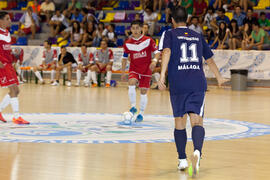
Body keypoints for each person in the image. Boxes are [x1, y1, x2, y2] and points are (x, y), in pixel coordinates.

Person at [158, 6, 227, 175]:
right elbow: (209, 59)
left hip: (178, 82)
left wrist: (161, 76)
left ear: (172, 20)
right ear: (187, 19)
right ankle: (197, 151)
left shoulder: (170, 34)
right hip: (197, 83)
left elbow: (166, 51)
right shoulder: (197, 35)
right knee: (197, 121)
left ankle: (182, 160)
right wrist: (219, 77)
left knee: (179, 123)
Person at [121, 20, 160, 122]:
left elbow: (157, 53)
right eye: (133, 28)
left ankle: (141, 113)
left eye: (137, 28)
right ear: (130, 29)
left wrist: (154, 62)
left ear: (141, 28)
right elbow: (124, 58)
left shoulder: (148, 40)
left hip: (146, 70)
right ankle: (133, 107)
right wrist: (123, 72)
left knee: (143, 92)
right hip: (134, 68)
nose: (135, 30)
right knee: (131, 82)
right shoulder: (127, 43)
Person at [0, 12, 29, 124]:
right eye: (7, 19)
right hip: (3, 65)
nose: (10, 21)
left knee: (16, 90)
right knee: (13, 89)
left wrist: (13, 55)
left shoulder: (7, 33)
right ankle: (16, 116)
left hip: (9, 64)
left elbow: (5, 49)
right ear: (1, 21)